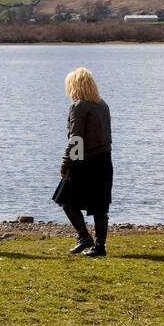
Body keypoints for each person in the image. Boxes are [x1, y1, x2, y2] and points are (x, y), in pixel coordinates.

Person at [53, 67, 112, 256]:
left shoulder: (78, 106)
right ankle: (99, 246)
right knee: (100, 206)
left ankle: (84, 237)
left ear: (75, 86)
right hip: (104, 160)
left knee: (64, 199)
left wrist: (65, 164)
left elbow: (76, 139)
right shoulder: (103, 105)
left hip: (84, 161)